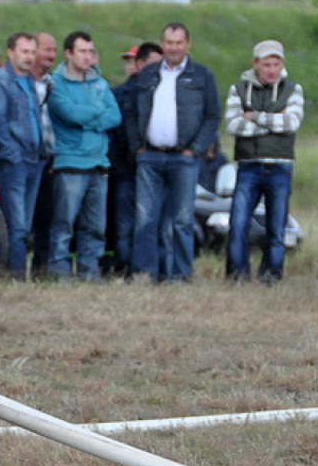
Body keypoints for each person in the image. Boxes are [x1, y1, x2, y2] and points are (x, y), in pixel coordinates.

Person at [126, 22, 219, 282]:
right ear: (163, 43)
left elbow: (212, 117)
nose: (174, 48)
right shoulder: (148, 74)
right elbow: (132, 112)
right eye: (169, 42)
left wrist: (196, 149)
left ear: (187, 44)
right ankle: (146, 274)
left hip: (184, 158)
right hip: (150, 157)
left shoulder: (202, 76)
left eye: (178, 43)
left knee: (182, 220)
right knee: (145, 218)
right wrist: (138, 147)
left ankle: (179, 275)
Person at [224, 39, 304, 282]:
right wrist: (272, 121)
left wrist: (255, 116)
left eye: (276, 64)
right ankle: (237, 274)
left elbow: (291, 124)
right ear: (255, 64)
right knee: (238, 224)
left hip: (280, 165)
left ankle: (272, 273)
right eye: (266, 64)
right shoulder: (238, 89)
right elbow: (234, 125)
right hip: (249, 165)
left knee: (276, 226)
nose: (271, 70)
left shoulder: (293, 89)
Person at [46, 31, 121, 281]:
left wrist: (89, 116)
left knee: (95, 226)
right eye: (83, 52)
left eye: (91, 51)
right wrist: (97, 112)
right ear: (69, 54)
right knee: (64, 223)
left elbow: (115, 117)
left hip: (99, 164)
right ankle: (59, 271)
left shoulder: (99, 83)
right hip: (70, 163)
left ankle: (90, 272)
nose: (88, 57)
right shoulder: (56, 85)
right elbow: (71, 115)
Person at [0, 32, 46, 280]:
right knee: (17, 225)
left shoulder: (30, 81)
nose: (29, 57)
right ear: (11, 52)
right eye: (24, 52)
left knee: (24, 226)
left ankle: (8, 272)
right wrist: (13, 154)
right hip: (14, 162)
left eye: (32, 52)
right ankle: (16, 276)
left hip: (34, 159)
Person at [108, 42, 161, 276]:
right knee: (125, 225)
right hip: (125, 171)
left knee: (151, 223)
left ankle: (149, 269)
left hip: (156, 170)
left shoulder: (166, 95)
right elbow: (113, 131)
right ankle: (123, 269)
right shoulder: (119, 94)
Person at [28, 31, 57, 280]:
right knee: (21, 221)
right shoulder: (21, 82)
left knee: (47, 219)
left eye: (54, 50)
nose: (52, 55)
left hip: (49, 160)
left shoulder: (52, 83)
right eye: (47, 49)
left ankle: (41, 270)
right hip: (26, 159)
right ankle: (13, 271)